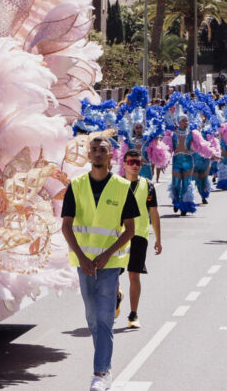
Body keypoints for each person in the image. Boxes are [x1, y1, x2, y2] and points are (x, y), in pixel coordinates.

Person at [61, 137, 139, 391]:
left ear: (110, 156)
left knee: (105, 317)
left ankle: (100, 372)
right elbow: (66, 225)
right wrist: (82, 257)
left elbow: (130, 229)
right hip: (83, 263)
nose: (97, 153)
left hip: (110, 262)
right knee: (92, 318)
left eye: (102, 150)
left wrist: (107, 254)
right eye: (93, 150)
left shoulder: (121, 186)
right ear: (88, 155)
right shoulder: (76, 185)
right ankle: (105, 363)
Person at [121, 149, 162, 329]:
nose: (135, 166)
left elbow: (154, 212)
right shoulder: (116, 184)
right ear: (124, 164)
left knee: (134, 274)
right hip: (119, 235)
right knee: (114, 272)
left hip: (139, 235)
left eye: (138, 162)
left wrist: (158, 239)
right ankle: (116, 296)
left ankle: (133, 313)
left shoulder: (148, 185)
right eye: (131, 162)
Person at [170, 116, 197, 216]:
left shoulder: (192, 133)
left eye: (187, 120)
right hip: (177, 161)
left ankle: (184, 206)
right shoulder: (173, 134)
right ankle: (176, 202)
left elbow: (200, 145)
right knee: (176, 184)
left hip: (188, 162)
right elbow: (167, 147)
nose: (186, 122)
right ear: (179, 122)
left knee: (186, 184)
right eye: (183, 121)